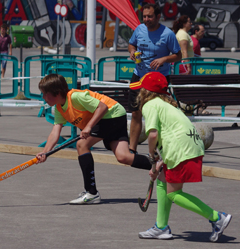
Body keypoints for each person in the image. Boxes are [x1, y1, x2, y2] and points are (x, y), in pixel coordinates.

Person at [131, 72, 231, 242]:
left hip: (181, 150)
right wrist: (161, 162)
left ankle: (216, 217)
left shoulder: (150, 105)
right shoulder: (167, 105)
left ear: (146, 92)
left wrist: (151, 155)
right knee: (162, 181)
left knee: (173, 194)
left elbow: (153, 134)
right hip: (188, 146)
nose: (138, 92)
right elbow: (171, 133)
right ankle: (161, 227)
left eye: (140, 89)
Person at [35, 74, 152, 204]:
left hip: (111, 115)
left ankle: (91, 192)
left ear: (56, 93)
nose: (43, 97)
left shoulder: (75, 97)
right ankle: (159, 165)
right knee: (123, 157)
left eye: (45, 94)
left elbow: (102, 107)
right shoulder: (59, 108)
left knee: (81, 145)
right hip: (113, 116)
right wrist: (45, 152)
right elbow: (55, 132)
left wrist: (89, 127)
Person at [128, 3, 182, 154]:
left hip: (159, 80)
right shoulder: (139, 29)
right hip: (139, 76)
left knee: (160, 114)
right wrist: (132, 52)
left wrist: (164, 59)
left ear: (158, 17)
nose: (146, 19)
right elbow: (131, 44)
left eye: (150, 16)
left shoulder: (168, 34)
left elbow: (178, 56)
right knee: (135, 112)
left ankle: (162, 150)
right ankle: (132, 149)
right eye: (144, 16)